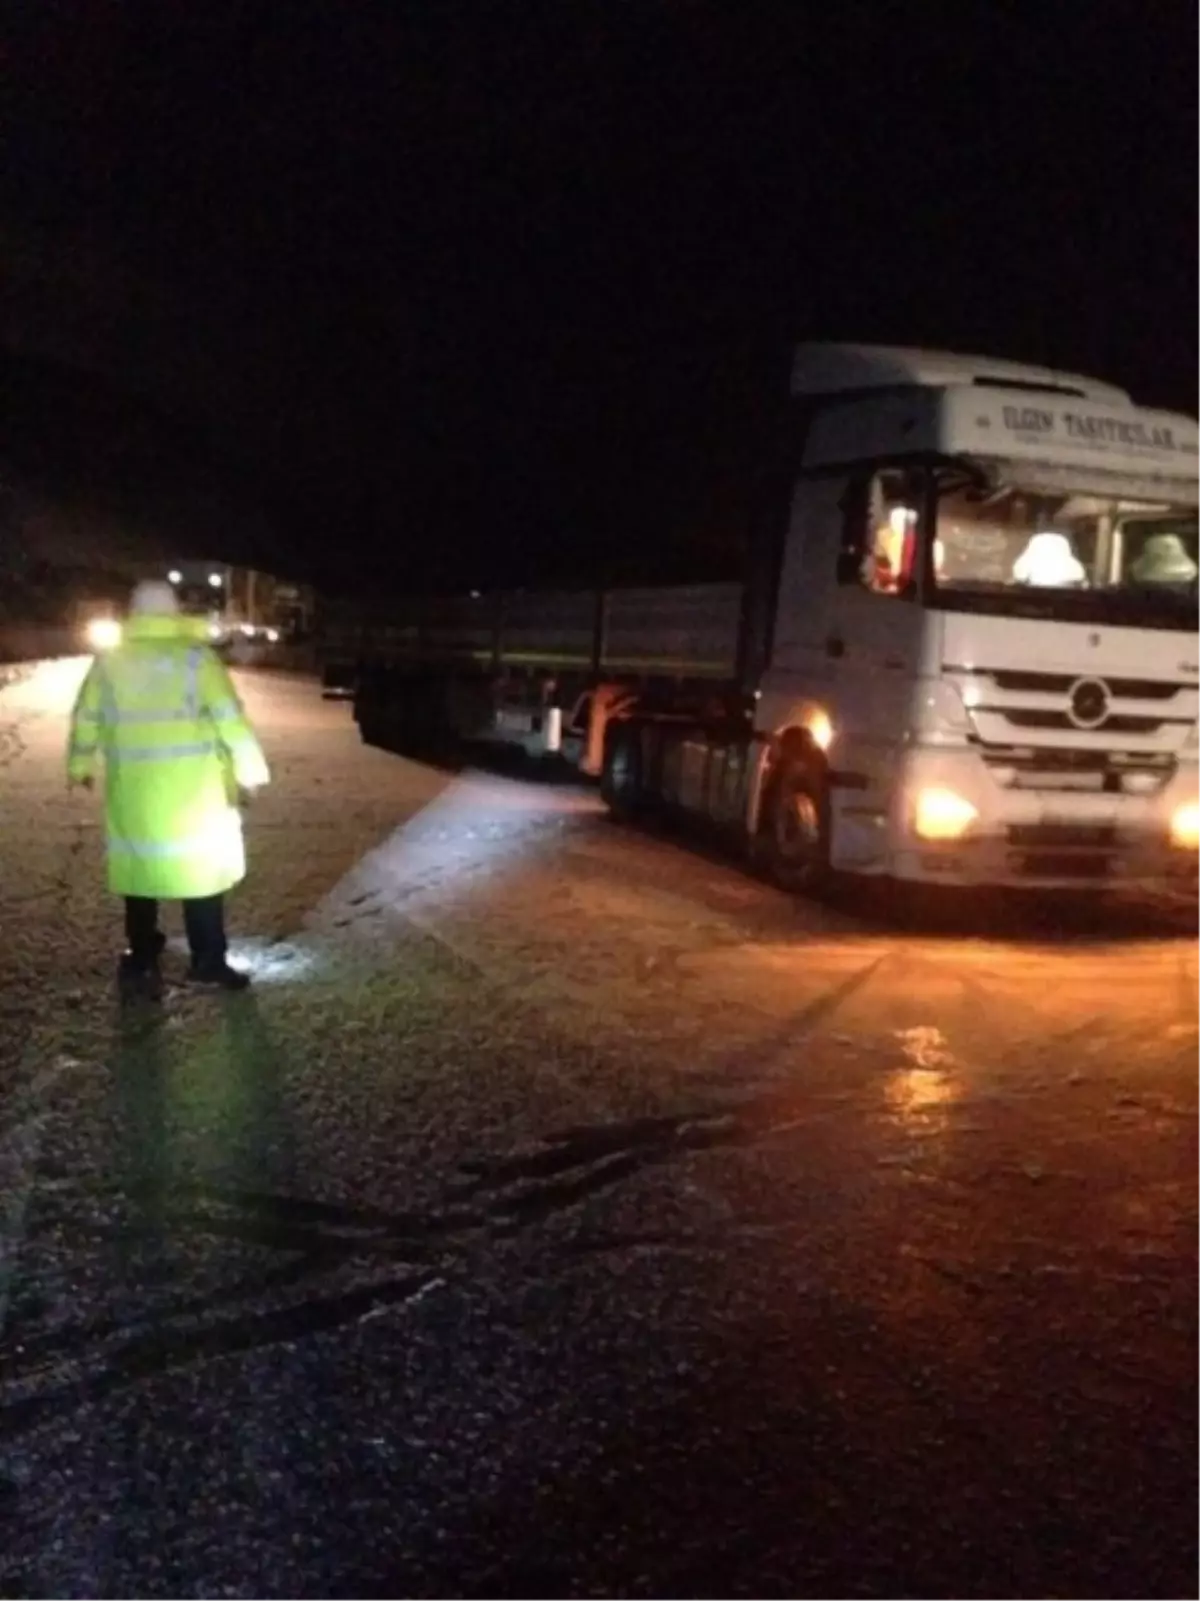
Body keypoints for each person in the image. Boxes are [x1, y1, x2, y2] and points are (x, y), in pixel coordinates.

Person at [67, 578, 270, 999]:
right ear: (174, 612)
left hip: (135, 790)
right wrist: (250, 770)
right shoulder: (197, 659)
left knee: (139, 869)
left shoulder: (110, 662)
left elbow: (86, 716)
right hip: (194, 793)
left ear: (134, 614)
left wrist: (81, 764)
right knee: (201, 874)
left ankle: (141, 956)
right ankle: (208, 961)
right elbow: (230, 719)